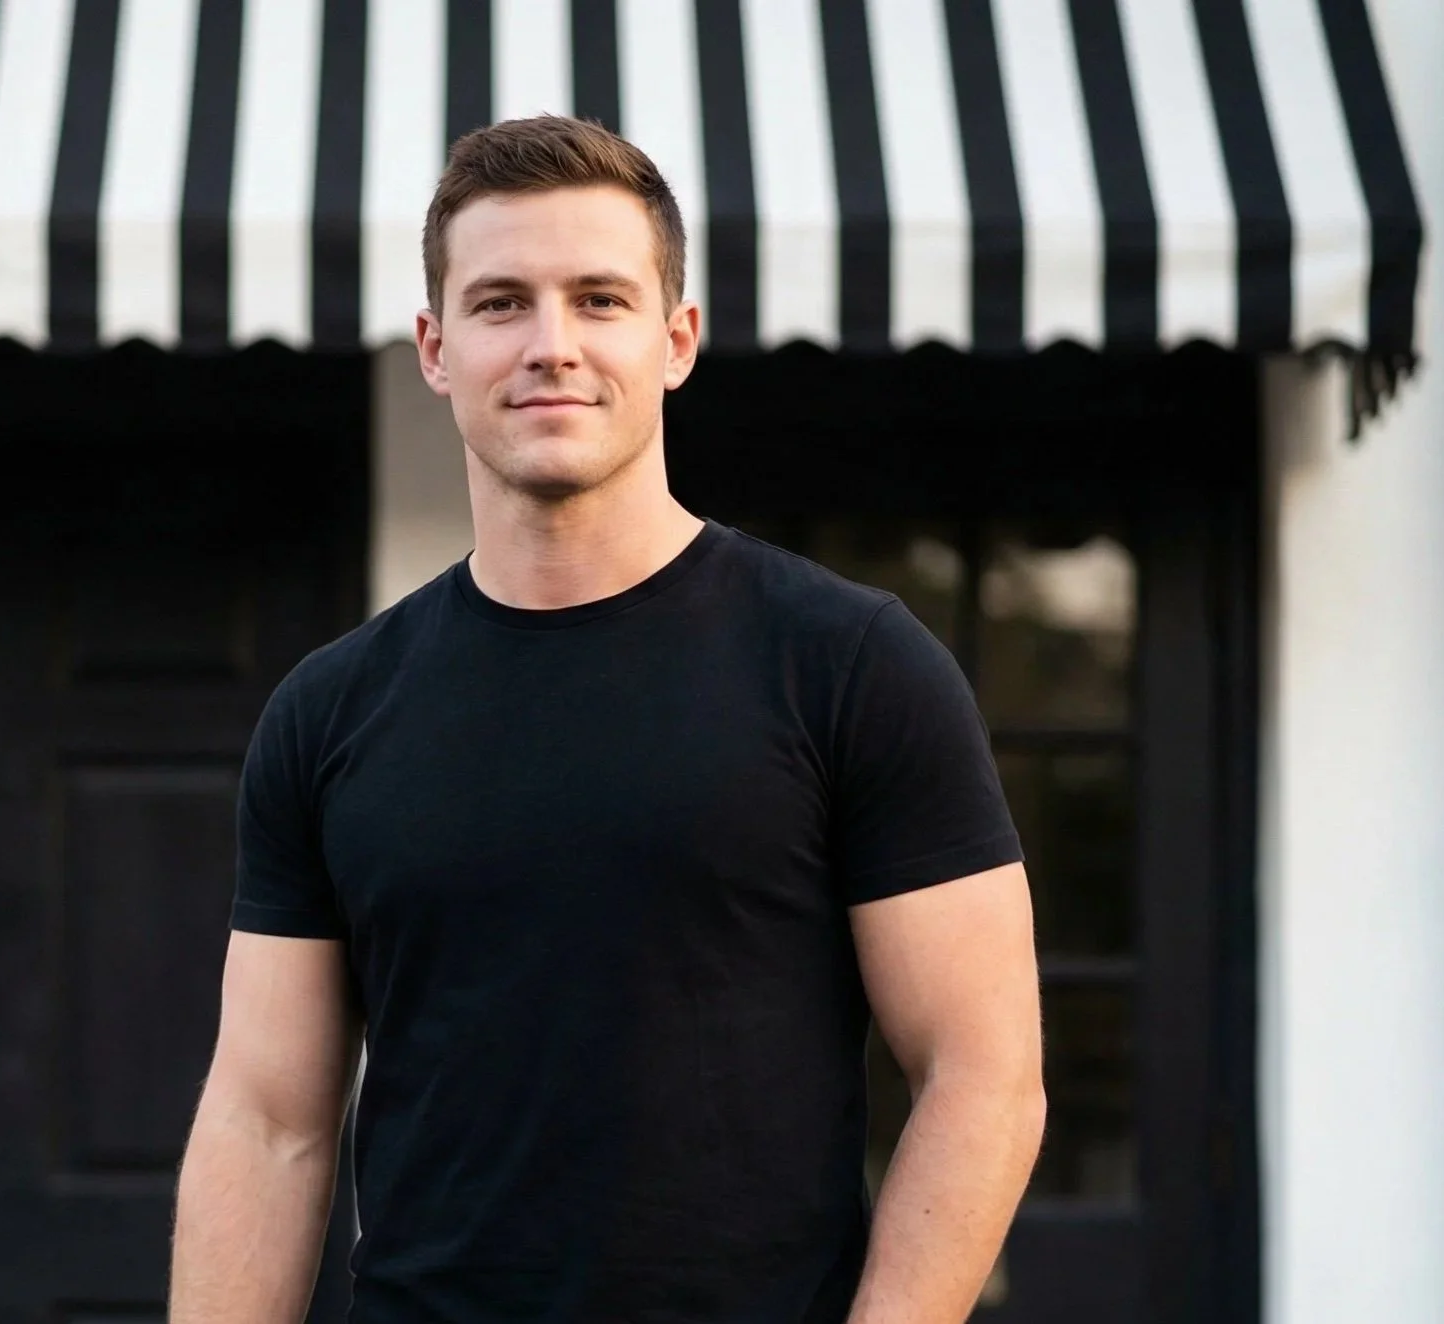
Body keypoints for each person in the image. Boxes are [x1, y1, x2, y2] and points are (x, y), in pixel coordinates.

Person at [169, 115, 1045, 1324]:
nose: (550, 345)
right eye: (498, 303)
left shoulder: (847, 664)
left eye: (597, 299)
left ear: (675, 339)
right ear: (434, 348)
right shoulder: (330, 713)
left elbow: (981, 1075)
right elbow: (267, 1120)